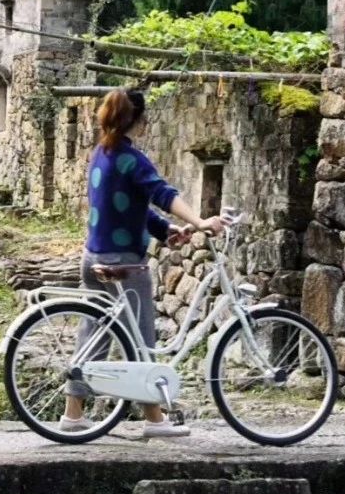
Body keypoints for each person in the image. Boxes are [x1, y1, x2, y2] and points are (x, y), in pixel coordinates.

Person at [61, 88, 227, 438]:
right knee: (141, 338)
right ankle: (154, 420)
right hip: (124, 264)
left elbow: (130, 205)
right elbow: (162, 193)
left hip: (93, 258)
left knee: (95, 336)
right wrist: (199, 222)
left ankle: (72, 414)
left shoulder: (101, 154)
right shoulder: (132, 159)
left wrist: (166, 231)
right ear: (138, 120)